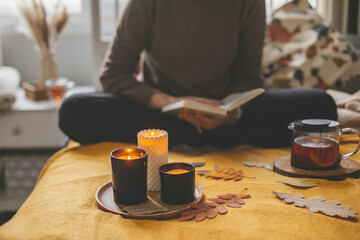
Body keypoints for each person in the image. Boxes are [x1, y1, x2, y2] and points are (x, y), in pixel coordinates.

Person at [59, 0, 337, 149]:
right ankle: (193, 134)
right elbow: (113, 75)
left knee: (320, 105)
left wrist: (231, 113)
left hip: (228, 115)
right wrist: (168, 103)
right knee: (74, 109)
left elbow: (248, 77)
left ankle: (196, 135)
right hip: (161, 114)